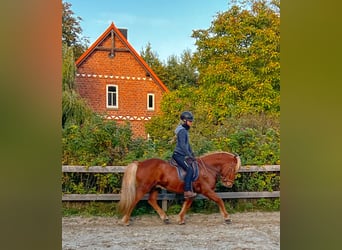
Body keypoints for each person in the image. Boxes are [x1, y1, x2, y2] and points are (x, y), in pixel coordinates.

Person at [172, 111, 197, 199]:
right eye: (190, 121)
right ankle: (187, 191)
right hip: (179, 155)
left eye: (191, 121)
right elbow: (182, 145)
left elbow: (187, 144)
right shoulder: (182, 131)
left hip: (182, 155)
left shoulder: (184, 131)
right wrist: (188, 155)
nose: (191, 123)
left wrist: (192, 154)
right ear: (184, 121)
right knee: (189, 169)